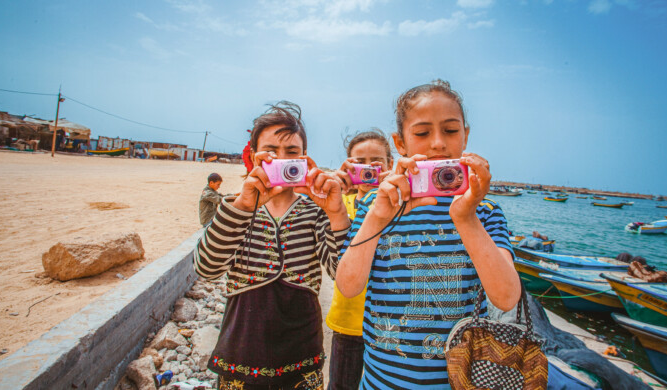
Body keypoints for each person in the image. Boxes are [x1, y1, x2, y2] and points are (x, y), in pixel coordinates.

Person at [335, 80, 520, 389]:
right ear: (400, 143)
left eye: (450, 130)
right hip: (380, 381)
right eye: (422, 133)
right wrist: (379, 216)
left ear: (466, 135)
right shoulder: (376, 204)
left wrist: (466, 218)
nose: (437, 143)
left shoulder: (483, 211)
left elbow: (506, 297)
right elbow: (348, 286)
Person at [193, 101, 351, 390]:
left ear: (304, 160)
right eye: (270, 152)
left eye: (291, 153)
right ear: (253, 158)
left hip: (301, 355)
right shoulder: (234, 207)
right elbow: (207, 268)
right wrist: (243, 204)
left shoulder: (316, 212)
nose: (281, 160)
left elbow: (343, 275)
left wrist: (337, 213)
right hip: (240, 351)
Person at [326, 129, 394, 390]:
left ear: (391, 165)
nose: (368, 170)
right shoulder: (339, 202)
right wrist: (336, 186)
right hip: (348, 322)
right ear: (347, 167)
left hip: (391, 325)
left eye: (376, 163)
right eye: (359, 163)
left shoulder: (402, 205)